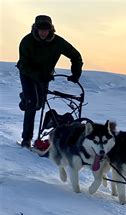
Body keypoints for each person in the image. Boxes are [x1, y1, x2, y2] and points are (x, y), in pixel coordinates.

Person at [16, 15, 83, 147]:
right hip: (27, 74)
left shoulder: (58, 42)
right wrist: (40, 75)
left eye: (46, 29)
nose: (43, 32)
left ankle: (25, 98)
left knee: (39, 104)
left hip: (45, 76)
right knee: (32, 102)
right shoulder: (27, 41)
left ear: (51, 30)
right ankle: (27, 138)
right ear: (35, 28)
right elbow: (24, 65)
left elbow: (76, 56)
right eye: (40, 29)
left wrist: (76, 73)